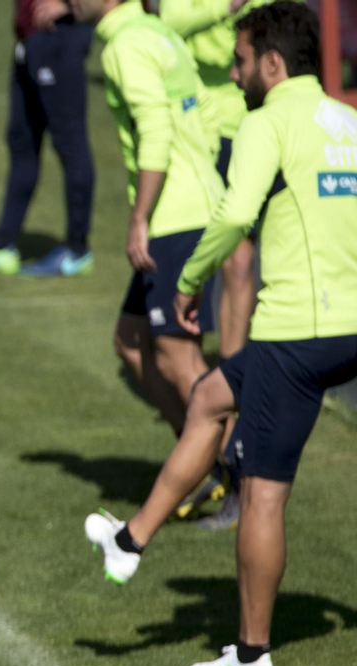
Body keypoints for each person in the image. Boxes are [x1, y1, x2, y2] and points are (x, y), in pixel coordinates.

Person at [85, 2, 357, 666]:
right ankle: (129, 541)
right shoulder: (348, 125)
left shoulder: (268, 122)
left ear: (272, 64)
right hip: (345, 325)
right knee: (209, 396)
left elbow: (235, 212)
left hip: (298, 332)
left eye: (240, 62)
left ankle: (251, 655)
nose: (234, 75)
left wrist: (190, 280)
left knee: (263, 496)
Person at [70, 0, 224, 445]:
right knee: (131, 339)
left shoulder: (124, 45)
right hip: (193, 207)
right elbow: (207, 112)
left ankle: (237, 470)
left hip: (175, 219)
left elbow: (155, 128)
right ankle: (198, 460)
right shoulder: (159, 32)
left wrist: (140, 217)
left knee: (178, 358)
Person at [159, 0, 275, 531]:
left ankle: (233, 387)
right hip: (214, 120)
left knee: (246, 258)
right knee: (235, 256)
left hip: (259, 115)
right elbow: (168, 19)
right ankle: (230, 387)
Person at [0, 1, 97, 277]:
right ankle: (2, 244)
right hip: (30, 38)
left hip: (59, 37)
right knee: (21, 143)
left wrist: (67, 4)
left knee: (70, 144)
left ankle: (77, 249)